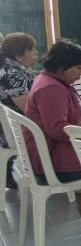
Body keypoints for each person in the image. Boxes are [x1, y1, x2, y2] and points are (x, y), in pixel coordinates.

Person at [23, 40, 81, 233]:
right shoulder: (51, 88)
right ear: (61, 67)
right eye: (78, 68)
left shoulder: (52, 81)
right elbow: (58, 129)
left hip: (56, 156)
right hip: (55, 163)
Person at [0, 33, 38, 189]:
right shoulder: (14, 74)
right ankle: (54, 172)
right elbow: (29, 110)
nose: (36, 53)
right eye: (32, 50)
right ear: (19, 56)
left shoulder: (9, 68)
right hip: (13, 130)